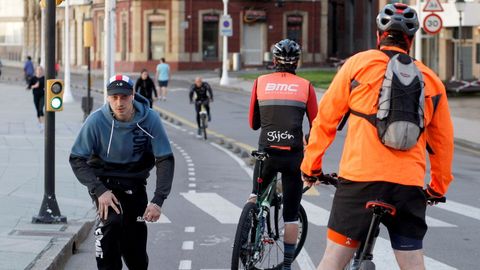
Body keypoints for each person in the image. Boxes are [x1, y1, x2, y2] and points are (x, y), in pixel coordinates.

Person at [300, 4, 454, 270]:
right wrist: (437, 188)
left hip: (360, 180)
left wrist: (311, 167)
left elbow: (325, 121)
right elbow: (442, 143)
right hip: (407, 186)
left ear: (379, 35)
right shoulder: (431, 80)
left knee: (332, 260)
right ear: (412, 39)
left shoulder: (358, 65)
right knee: (413, 264)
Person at [69, 74, 175, 270]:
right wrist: (99, 190)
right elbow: (76, 159)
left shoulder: (150, 119)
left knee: (135, 250)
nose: (119, 103)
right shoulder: (96, 121)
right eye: (114, 97)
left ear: (133, 95)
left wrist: (158, 200)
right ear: (108, 97)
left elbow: (165, 159)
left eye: (124, 97)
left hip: (135, 183)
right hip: (105, 183)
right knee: (112, 223)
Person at [247, 39, 318, 270]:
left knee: (255, 199)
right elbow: (316, 125)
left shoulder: (260, 82)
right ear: (297, 61)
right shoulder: (306, 86)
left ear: (274, 60)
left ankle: (248, 240)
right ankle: (287, 265)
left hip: (266, 153)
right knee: (290, 215)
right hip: (292, 157)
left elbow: (253, 124)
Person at [27, 66, 45, 131]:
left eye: (41, 70)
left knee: (40, 109)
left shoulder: (44, 78)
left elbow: (49, 87)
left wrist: (46, 89)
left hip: (43, 96)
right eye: (38, 70)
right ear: (36, 71)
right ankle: (40, 123)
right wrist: (35, 86)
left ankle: (43, 125)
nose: (39, 71)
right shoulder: (33, 78)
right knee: (37, 110)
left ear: (42, 71)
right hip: (36, 96)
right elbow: (28, 88)